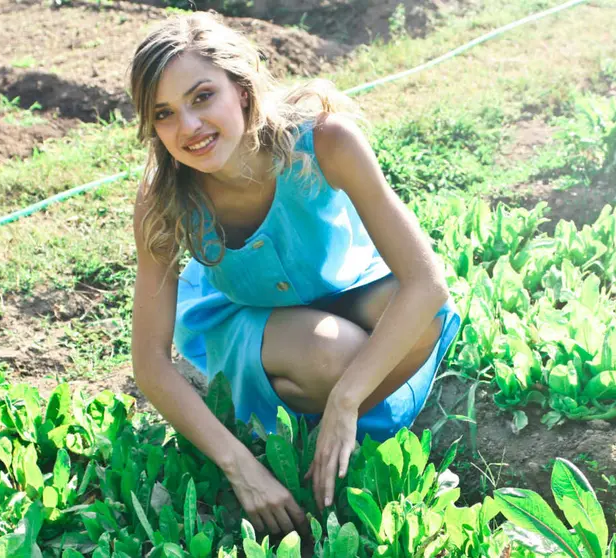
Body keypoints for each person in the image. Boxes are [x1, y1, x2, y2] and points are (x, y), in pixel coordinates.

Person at [127, 12, 461, 537]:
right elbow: (149, 362)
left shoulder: (326, 141)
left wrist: (347, 401)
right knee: (335, 355)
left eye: (201, 97)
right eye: (164, 113)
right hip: (248, 316)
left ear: (240, 88)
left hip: (349, 286)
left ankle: (327, 415)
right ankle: (305, 408)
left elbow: (428, 284)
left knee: (425, 318)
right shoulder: (164, 198)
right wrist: (241, 467)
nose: (188, 127)